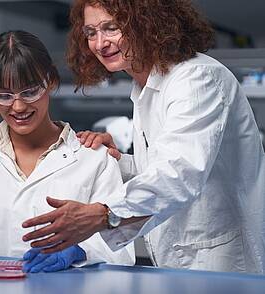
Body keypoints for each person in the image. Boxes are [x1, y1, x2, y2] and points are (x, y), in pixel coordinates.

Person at [22, 0, 265, 273]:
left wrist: (103, 215)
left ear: (147, 22)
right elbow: (163, 166)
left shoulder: (196, 79)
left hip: (224, 265)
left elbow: (180, 173)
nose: (100, 43)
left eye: (111, 28)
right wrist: (117, 161)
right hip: (182, 261)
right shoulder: (145, 87)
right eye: (90, 33)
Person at [0, 30, 135, 273]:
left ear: (51, 81)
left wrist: (79, 251)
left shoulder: (93, 156)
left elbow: (121, 249)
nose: (17, 106)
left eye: (29, 92)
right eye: (4, 96)